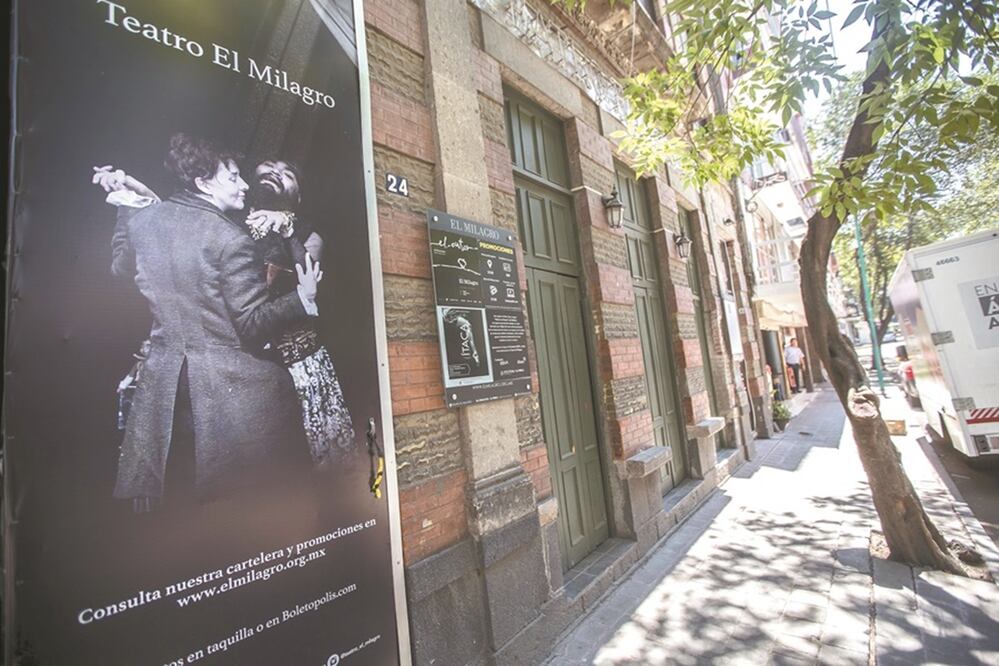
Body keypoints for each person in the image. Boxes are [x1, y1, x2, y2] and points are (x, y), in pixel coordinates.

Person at [106, 133, 322, 509]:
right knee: (244, 499)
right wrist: (302, 298)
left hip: (162, 390)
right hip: (225, 394)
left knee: (174, 506)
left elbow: (120, 267)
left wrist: (127, 204)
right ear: (204, 183)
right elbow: (251, 324)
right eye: (234, 177)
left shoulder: (143, 221)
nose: (244, 185)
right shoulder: (230, 238)